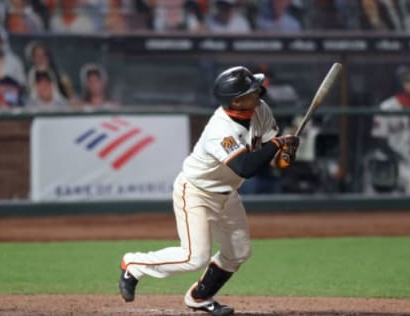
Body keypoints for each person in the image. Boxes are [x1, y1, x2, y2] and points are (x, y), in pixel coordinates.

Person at [119, 66, 300, 316]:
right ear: (236, 101)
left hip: (228, 195)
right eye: (252, 90)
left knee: (238, 252)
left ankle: (199, 297)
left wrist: (287, 153)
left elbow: (274, 160)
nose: (259, 92)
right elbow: (244, 167)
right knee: (193, 257)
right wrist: (279, 144)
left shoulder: (261, 110)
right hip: (196, 192)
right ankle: (134, 264)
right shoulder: (220, 129)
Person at [370, 65, 410, 195]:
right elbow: (379, 141)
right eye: (408, 81)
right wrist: (396, 157)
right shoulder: (386, 107)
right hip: (389, 159)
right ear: (398, 84)